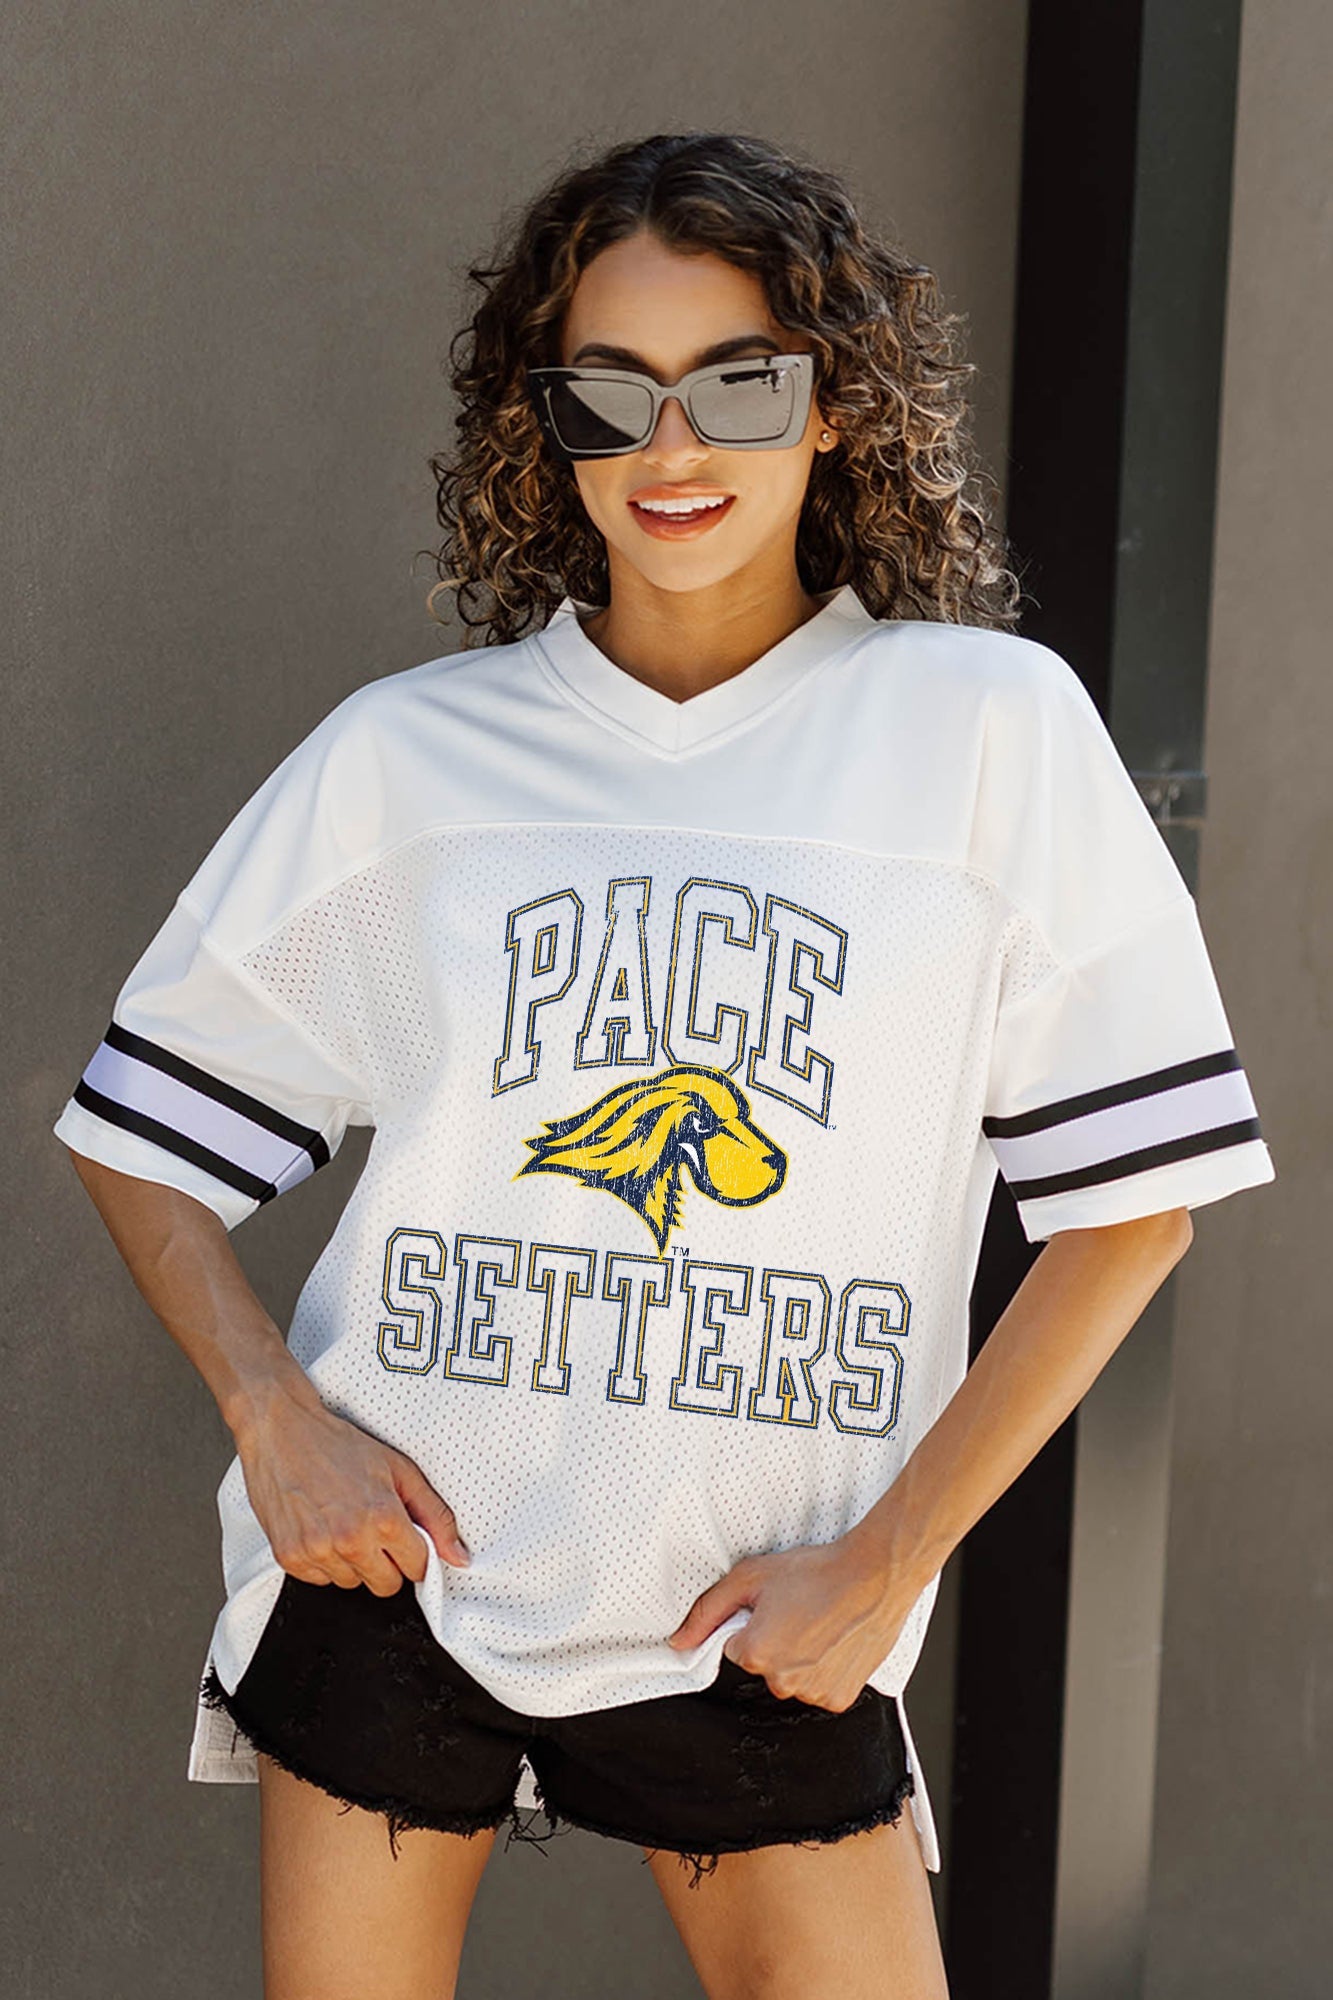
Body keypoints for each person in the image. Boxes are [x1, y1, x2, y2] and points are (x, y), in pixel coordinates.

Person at [54, 131, 1275, 2000]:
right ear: (546, 425)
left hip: (767, 1615)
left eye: (739, 383)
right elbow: (139, 1135)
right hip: (404, 1589)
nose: (671, 446)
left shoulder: (984, 733)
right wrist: (275, 1419)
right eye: (608, 393)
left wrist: (889, 1561)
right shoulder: (413, 759)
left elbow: (1135, 1214)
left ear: (837, 406)